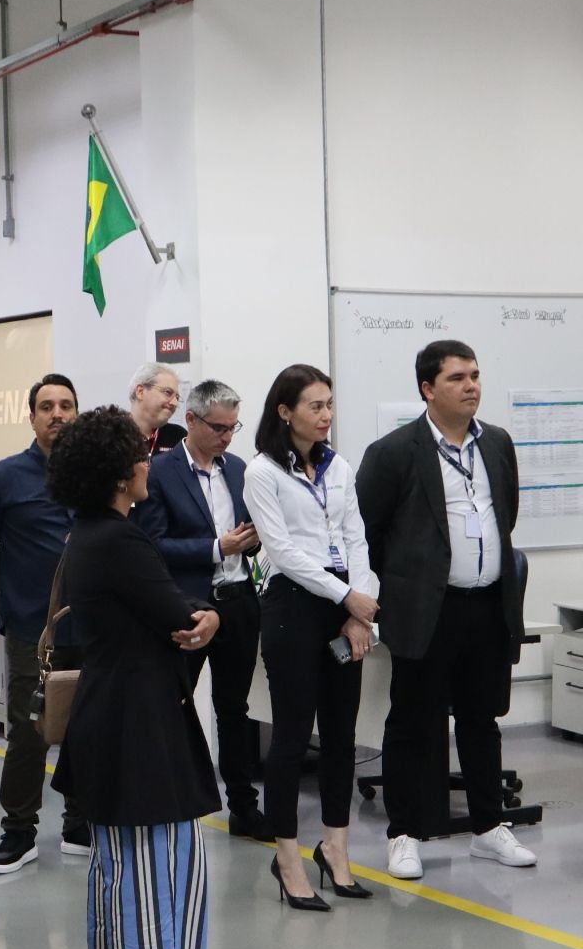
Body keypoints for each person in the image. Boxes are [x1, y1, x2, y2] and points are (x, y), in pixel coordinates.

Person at [49, 405, 221, 949]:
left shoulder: (86, 534)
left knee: (119, 876)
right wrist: (212, 619)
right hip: (140, 728)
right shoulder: (121, 541)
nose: (150, 464)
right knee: (158, 877)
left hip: (110, 719)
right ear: (122, 474)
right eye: (141, 457)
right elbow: (178, 618)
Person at [356, 340, 536, 881]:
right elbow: (367, 533)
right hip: (425, 610)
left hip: (486, 605)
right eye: (458, 377)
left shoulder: (498, 444)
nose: (472, 385)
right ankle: (404, 833)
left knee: (482, 720)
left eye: (476, 375)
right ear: (427, 389)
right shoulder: (393, 452)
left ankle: (487, 828)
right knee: (412, 721)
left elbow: (507, 515)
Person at [243, 365, 377, 910]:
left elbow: (357, 538)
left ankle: (336, 850)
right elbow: (282, 552)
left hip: (344, 607)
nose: (326, 415)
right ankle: (289, 859)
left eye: (329, 404)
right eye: (315, 406)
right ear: (285, 411)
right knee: (294, 737)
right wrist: (345, 597)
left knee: (343, 736)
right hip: (292, 607)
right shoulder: (262, 473)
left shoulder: (338, 466)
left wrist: (359, 609)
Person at [0, 373, 91, 873]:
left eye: (66, 405)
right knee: (30, 729)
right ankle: (19, 831)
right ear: (31, 416)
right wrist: (17, 587)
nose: (57, 414)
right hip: (33, 631)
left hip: (93, 625)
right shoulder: (4, 477)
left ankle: (80, 821)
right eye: (47, 406)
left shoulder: (93, 476)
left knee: (85, 725)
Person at [136, 380, 272, 843]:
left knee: (235, 710)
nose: (227, 437)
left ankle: (243, 809)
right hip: (188, 606)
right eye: (218, 427)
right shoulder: (159, 472)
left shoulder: (237, 469)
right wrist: (218, 546)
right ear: (189, 421)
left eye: (233, 428)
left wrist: (252, 545)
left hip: (238, 603)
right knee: (174, 704)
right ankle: (168, 799)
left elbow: (250, 534)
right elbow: (153, 545)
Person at [128, 363, 187, 454]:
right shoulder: (110, 435)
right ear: (140, 392)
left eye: (177, 397)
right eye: (168, 392)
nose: (175, 403)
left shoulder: (179, 437)